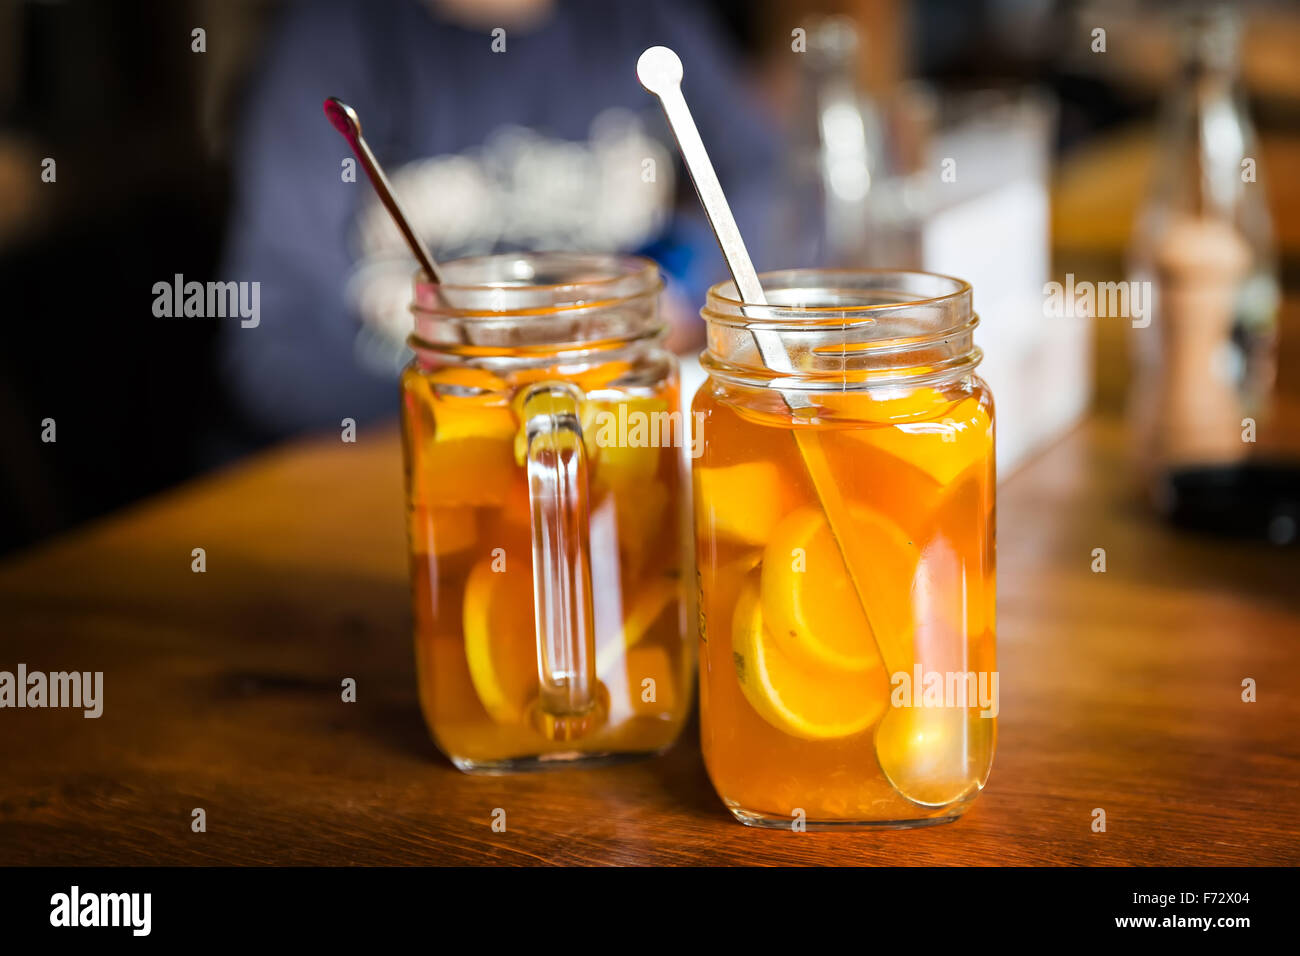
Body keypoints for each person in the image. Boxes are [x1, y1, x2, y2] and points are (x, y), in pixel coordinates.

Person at [220, 0, 781, 439]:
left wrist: (682, 291)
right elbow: (273, 351)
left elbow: (769, 187)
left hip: (610, 442)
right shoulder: (332, 38)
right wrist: (504, 405)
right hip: (387, 461)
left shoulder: (644, 20)